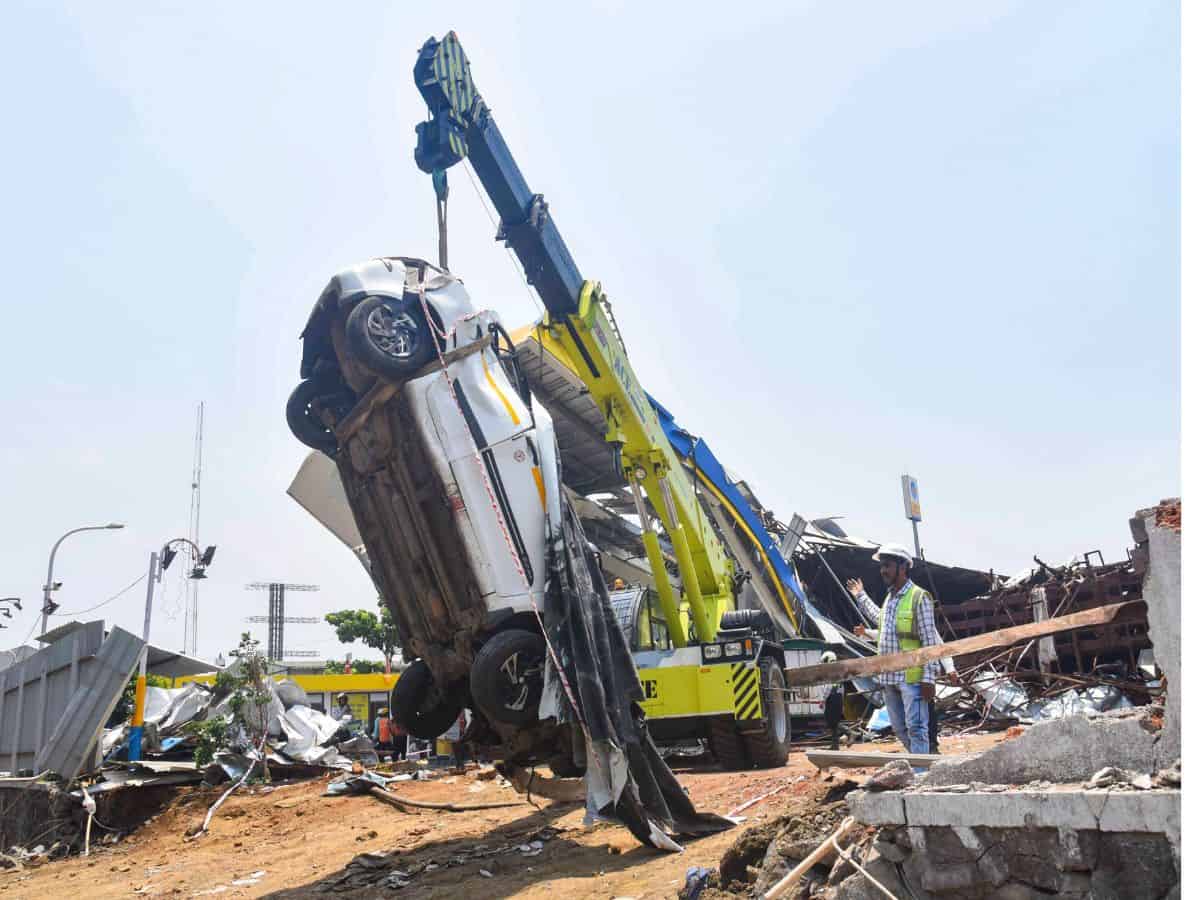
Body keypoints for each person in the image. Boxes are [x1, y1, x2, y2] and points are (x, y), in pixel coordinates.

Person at [845, 544, 958, 757]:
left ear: (903, 567)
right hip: (889, 678)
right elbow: (882, 623)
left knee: (917, 728)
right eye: (882, 566)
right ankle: (925, 762)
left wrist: (929, 679)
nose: (883, 571)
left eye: (887, 565)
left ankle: (921, 774)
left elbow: (930, 640)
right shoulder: (890, 599)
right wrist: (860, 596)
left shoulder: (918, 597)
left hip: (912, 678)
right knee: (899, 729)